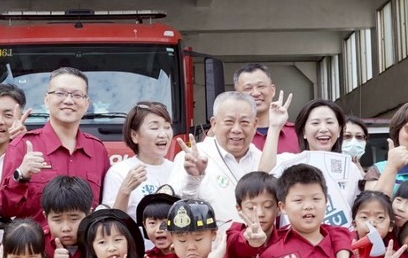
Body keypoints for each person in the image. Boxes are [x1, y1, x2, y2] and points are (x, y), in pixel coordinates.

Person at [0, 68, 110, 220]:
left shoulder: (97, 149)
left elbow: (105, 207)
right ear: (46, 99)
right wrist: (21, 175)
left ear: (87, 103)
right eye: (60, 93)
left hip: (86, 243)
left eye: (77, 95)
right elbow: (4, 209)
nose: (69, 101)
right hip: (39, 243)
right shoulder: (22, 145)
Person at [168, 92, 264, 230]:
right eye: (229, 122)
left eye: (244, 122)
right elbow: (174, 209)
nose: (236, 129)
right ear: (214, 123)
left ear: (255, 124)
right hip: (210, 248)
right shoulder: (192, 156)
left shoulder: (263, 159)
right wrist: (193, 178)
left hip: (259, 247)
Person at [263, 98, 361, 230]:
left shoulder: (350, 169)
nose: (323, 129)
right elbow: (263, 176)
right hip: (295, 245)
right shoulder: (288, 162)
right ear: (303, 132)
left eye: (330, 122)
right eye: (315, 123)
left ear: (339, 131)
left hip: (339, 246)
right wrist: (274, 127)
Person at [102, 100, 178, 213]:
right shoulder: (119, 172)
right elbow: (112, 224)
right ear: (134, 135)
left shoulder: (177, 169)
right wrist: (125, 191)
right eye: (154, 128)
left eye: (167, 127)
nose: (163, 134)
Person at [41, 175, 93, 258]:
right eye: (57, 219)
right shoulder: (38, 243)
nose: (66, 228)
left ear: (89, 214)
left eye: (74, 219)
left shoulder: (97, 241)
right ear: (45, 216)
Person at [234, 63, 300, 154]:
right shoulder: (231, 135)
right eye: (248, 88)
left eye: (261, 86)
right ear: (237, 95)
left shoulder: (298, 133)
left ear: (272, 90)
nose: (256, 93)